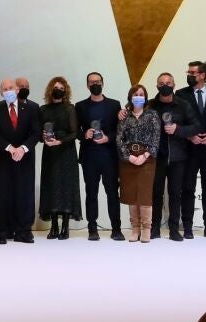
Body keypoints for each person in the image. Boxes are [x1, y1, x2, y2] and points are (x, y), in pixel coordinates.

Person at [0, 78, 40, 244]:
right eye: (5, 89)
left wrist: (22, 148)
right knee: (3, 195)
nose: (8, 91)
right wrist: (9, 148)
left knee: (25, 194)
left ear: (17, 90)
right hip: (3, 160)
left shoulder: (31, 109)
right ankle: (3, 231)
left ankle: (24, 231)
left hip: (25, 159)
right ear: (1, 93)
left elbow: (36, 132)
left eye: (11, 87)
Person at [148, 73, 197, 242]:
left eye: (168, 83)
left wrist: (178, 129)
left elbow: (196, 126)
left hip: (178, 157)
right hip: (156, 157)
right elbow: (136, 114)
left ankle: (174, 229)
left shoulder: (183, 105)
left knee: (175, 193)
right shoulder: (150, 105)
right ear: (157, 86)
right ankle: (154, 228)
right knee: (156, 193)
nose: (165, 86)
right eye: (161, 83)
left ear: (174, 85)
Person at [74, 71, 123, 241]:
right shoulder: (80, 106)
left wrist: (108, 138)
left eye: (98, 81)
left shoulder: (114, 105)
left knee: (112, 193)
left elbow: (119, 130)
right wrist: (84, 134)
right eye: (91, 82)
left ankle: (116, 229)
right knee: (91, 193)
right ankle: (92, 229)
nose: (95, 84)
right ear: (87, 85)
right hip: (89, 156)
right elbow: (75, 131)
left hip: (109, 155)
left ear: (103, 83)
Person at [176, 61, 206, 240]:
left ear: (202, 75)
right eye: (188, 72)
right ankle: (187, 226)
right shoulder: (181, 94)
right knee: (187, 187)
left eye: (192, 72)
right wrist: (189, 136)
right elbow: (177, 120)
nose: (189, 75)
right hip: (189, 148)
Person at [38, 76, 81, 239]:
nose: (59, 90)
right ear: (50, 89)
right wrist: (43, 137)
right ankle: (54, 226)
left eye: (62, 89)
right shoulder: (43, 109)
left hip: (66, 152)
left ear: (66, 92)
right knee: (51, 186)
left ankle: (65, 227)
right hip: (50, 153)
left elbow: (74, 133)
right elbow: (38, 134)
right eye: (56, 88)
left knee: (66, 187)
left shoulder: (70, 108)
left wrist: (60, 141)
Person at [117, 84, 160, 243]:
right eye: (135, 94)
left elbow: (156, 137)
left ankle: (146, 228)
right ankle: (135, 229)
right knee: (131, 194)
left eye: (141, 94)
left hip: (147, 159)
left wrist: (145, 155)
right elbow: (119, 138)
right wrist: (129, 157)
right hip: (128, 160)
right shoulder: (124, 116)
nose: (138, 97)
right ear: (130, 97)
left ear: (146, 97)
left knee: (145, 193)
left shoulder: (152, 115)